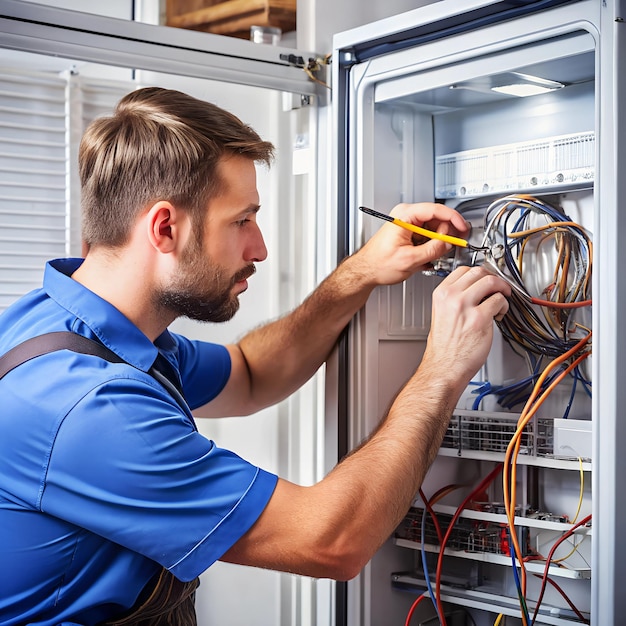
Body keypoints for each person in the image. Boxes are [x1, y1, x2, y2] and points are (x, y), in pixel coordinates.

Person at [0, 87, 510, 625]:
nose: (260, 247)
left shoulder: (77, 323)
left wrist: (359, 273)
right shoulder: (89, 408)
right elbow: (332, 541)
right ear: (165, 227)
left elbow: (249, 372)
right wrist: (441, 372)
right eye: (242, 220)